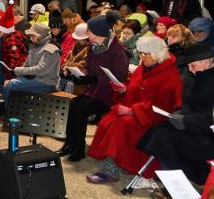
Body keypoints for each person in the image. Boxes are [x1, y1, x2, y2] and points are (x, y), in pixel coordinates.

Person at [86, 36, 182, 184]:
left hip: (153, 117)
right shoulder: (146, 66)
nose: (142, 58)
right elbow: (135, 88)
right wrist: (123, 89)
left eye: (145, 54)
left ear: (157, 54)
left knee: (122, 124)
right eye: (141, 53)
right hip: (139, 111)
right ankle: (122, 162)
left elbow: (163, 105)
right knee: (108, 120)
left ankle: (110, 170)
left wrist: (132, 111)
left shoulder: (169, 74)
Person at [137, 42, 214, 186]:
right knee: (158, 129)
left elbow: (210, 117)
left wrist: (184, 120)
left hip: (205, 134)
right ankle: (171, 178)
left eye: (192, 65)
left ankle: (178, 182)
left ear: (205, 62)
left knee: (163, 137)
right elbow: (189, 104)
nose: (190, 70)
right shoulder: (199, 76)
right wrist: (178, 114)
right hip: (192, 125)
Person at [58, 11, 130, 161]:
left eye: (89, 30)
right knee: (72, 104)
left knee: (80, 107)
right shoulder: (93, 46)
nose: (86, 33)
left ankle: (78, 148)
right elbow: (88, 69)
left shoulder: (118, 50)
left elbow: (120, 78)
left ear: (99, 32)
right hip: (94, 91)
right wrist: (79, 76)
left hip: (111, 95)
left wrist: (93, 79)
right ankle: (70, 144)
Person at [2, 22, 60, 100]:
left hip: (47, 83)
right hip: (35, 80)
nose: (30, 38)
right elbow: (26, 65)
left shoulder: (51, 48)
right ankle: (14, 108)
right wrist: (16, 77)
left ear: (40, 36)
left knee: (13, 85)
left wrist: (17, 71)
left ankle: (5, 109)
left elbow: (41, 70)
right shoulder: (35, 46)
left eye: (33, 36)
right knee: (11, 83)